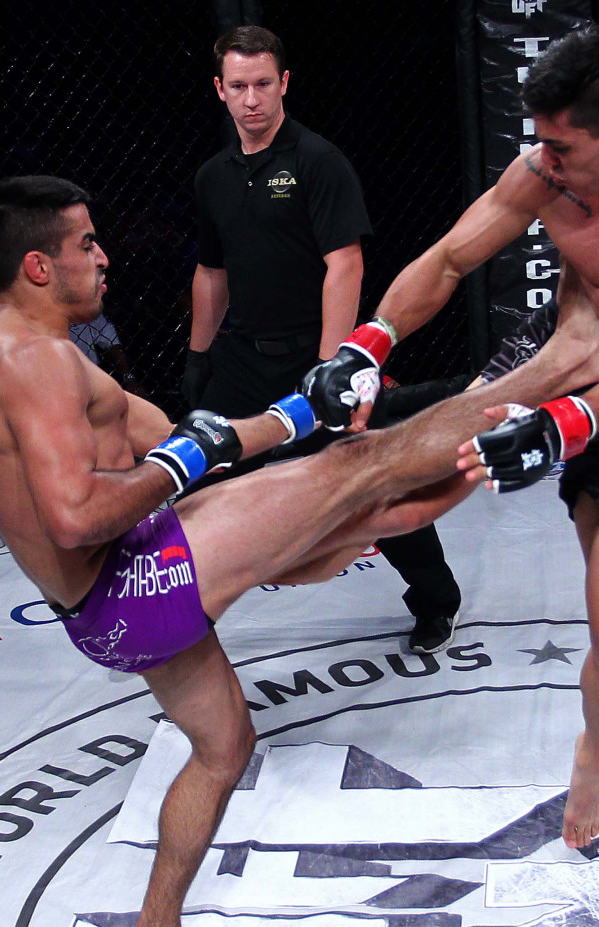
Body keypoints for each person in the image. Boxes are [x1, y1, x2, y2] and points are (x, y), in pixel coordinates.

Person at [0, 176, 599, 927]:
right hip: (132, 578)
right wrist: (199, 460)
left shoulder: (31, 359)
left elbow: (186, 438)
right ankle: (551, 364)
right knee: (362, 471)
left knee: (230, 737)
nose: (104, 256)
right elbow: (80, 516)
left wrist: (301, 413)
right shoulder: (33, 363)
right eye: (85, 243)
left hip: (107, 608)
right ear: (38, 267)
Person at [302, 24, 599, 851]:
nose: (541, 161)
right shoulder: (547, 172)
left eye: (557, 144)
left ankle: (592, 758)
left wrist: (563, 427)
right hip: (561, 349)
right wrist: (366, 347)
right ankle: (230, 571)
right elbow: (445, 262)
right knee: (405, 499)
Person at [184, 25, 462, 654]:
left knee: (371, 484)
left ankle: (436, 600)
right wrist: (198, 356)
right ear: (220, 92)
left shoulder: (317, 161)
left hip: (317, 355)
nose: (252, 99)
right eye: (238, 86)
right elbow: (211, 270)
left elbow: (347, 262)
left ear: (283, 84)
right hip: (245, 356)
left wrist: (333, 366)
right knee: (195, 477)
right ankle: (180, 620)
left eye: (262, 84)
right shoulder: (212, 177)